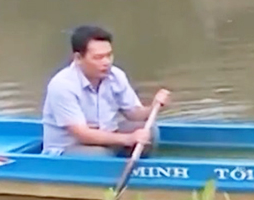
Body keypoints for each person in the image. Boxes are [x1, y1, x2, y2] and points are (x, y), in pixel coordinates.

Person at [41, 25, 171, 157]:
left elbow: (134, 114)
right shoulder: (62, 85)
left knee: (149, 130)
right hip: (70, 147)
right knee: (99, 155)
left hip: (106, 137)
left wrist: (154, 107)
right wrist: (128, 139)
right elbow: (82, 134)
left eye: (109, 56)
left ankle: (139, 170)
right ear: (78, 58)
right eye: (98, 57)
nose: (106, 62)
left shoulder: (116, 75)